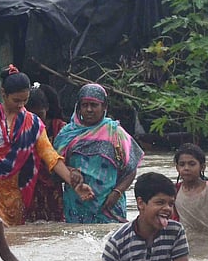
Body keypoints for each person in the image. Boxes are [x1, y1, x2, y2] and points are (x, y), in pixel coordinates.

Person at [0, 65, 93, 226]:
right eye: (16, 100)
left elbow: (50, 156)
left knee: (12, 240)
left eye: (24, 100)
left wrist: (75, 185)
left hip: (15, 195)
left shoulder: (33, 123)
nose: (20, 105)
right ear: (3, 94)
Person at [84, 172, 190, 261]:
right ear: (141, 203)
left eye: (171, 204)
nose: (167, 208)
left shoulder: (175, 231)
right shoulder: (118, 241)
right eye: (160, 202)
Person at [53, 83, 145, 223]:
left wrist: (117, 192)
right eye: (85, 105)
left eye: (94, 105)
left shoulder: (115, 132)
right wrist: (71, 171)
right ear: (78, 107)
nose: (89, 109)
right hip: (77, 205)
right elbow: (54, 168)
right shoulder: (66, 135)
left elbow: (131, 169)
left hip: (110, 205)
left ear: (104, 108)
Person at [24, 82, 66, 222]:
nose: (36, 119)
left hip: (53, 183)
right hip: (29, 184)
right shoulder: (21, 128)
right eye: (32, 115)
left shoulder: (60, 128)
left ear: (47, 109)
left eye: (39, 114)